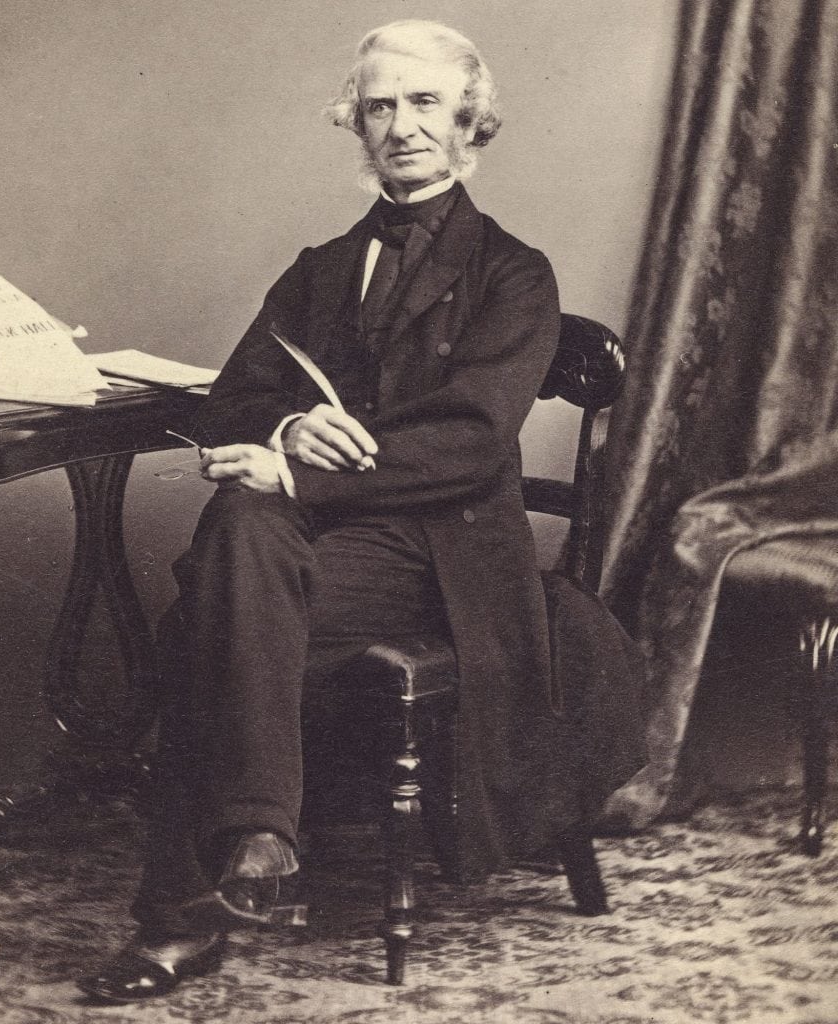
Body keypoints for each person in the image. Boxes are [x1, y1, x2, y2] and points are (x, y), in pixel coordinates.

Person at [79, 19, 645, 1003]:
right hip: (318, 551)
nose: (402, 126)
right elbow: (234, 399)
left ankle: (188, 911)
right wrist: (290, 424)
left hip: (447, 559)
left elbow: (469, 440)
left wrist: (303, 478)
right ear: (358, 126)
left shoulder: (516, 274)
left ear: (468, 119)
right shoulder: (319, 270)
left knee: (218, 595)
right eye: (379, 106)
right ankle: (256, 825)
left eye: (424, 102)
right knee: (242, 538)